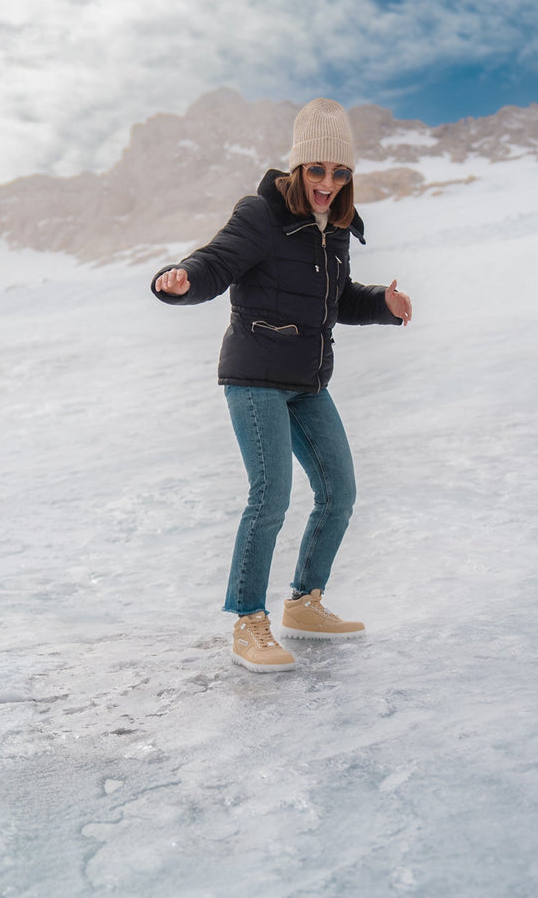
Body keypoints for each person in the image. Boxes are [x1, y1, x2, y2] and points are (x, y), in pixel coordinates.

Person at [152, 97, 412, 673]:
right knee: (270, 496)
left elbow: (336, 300)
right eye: (317, 169)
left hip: (308, 382)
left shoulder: (334, 227)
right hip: (254, 377)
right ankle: (249, 621)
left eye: (339, 172)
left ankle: (304, 603)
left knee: (338, 492)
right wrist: (183, 279)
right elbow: (215, 262)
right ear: (298, 168)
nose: (327, 183)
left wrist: (383, 304)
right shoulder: (261, 214)